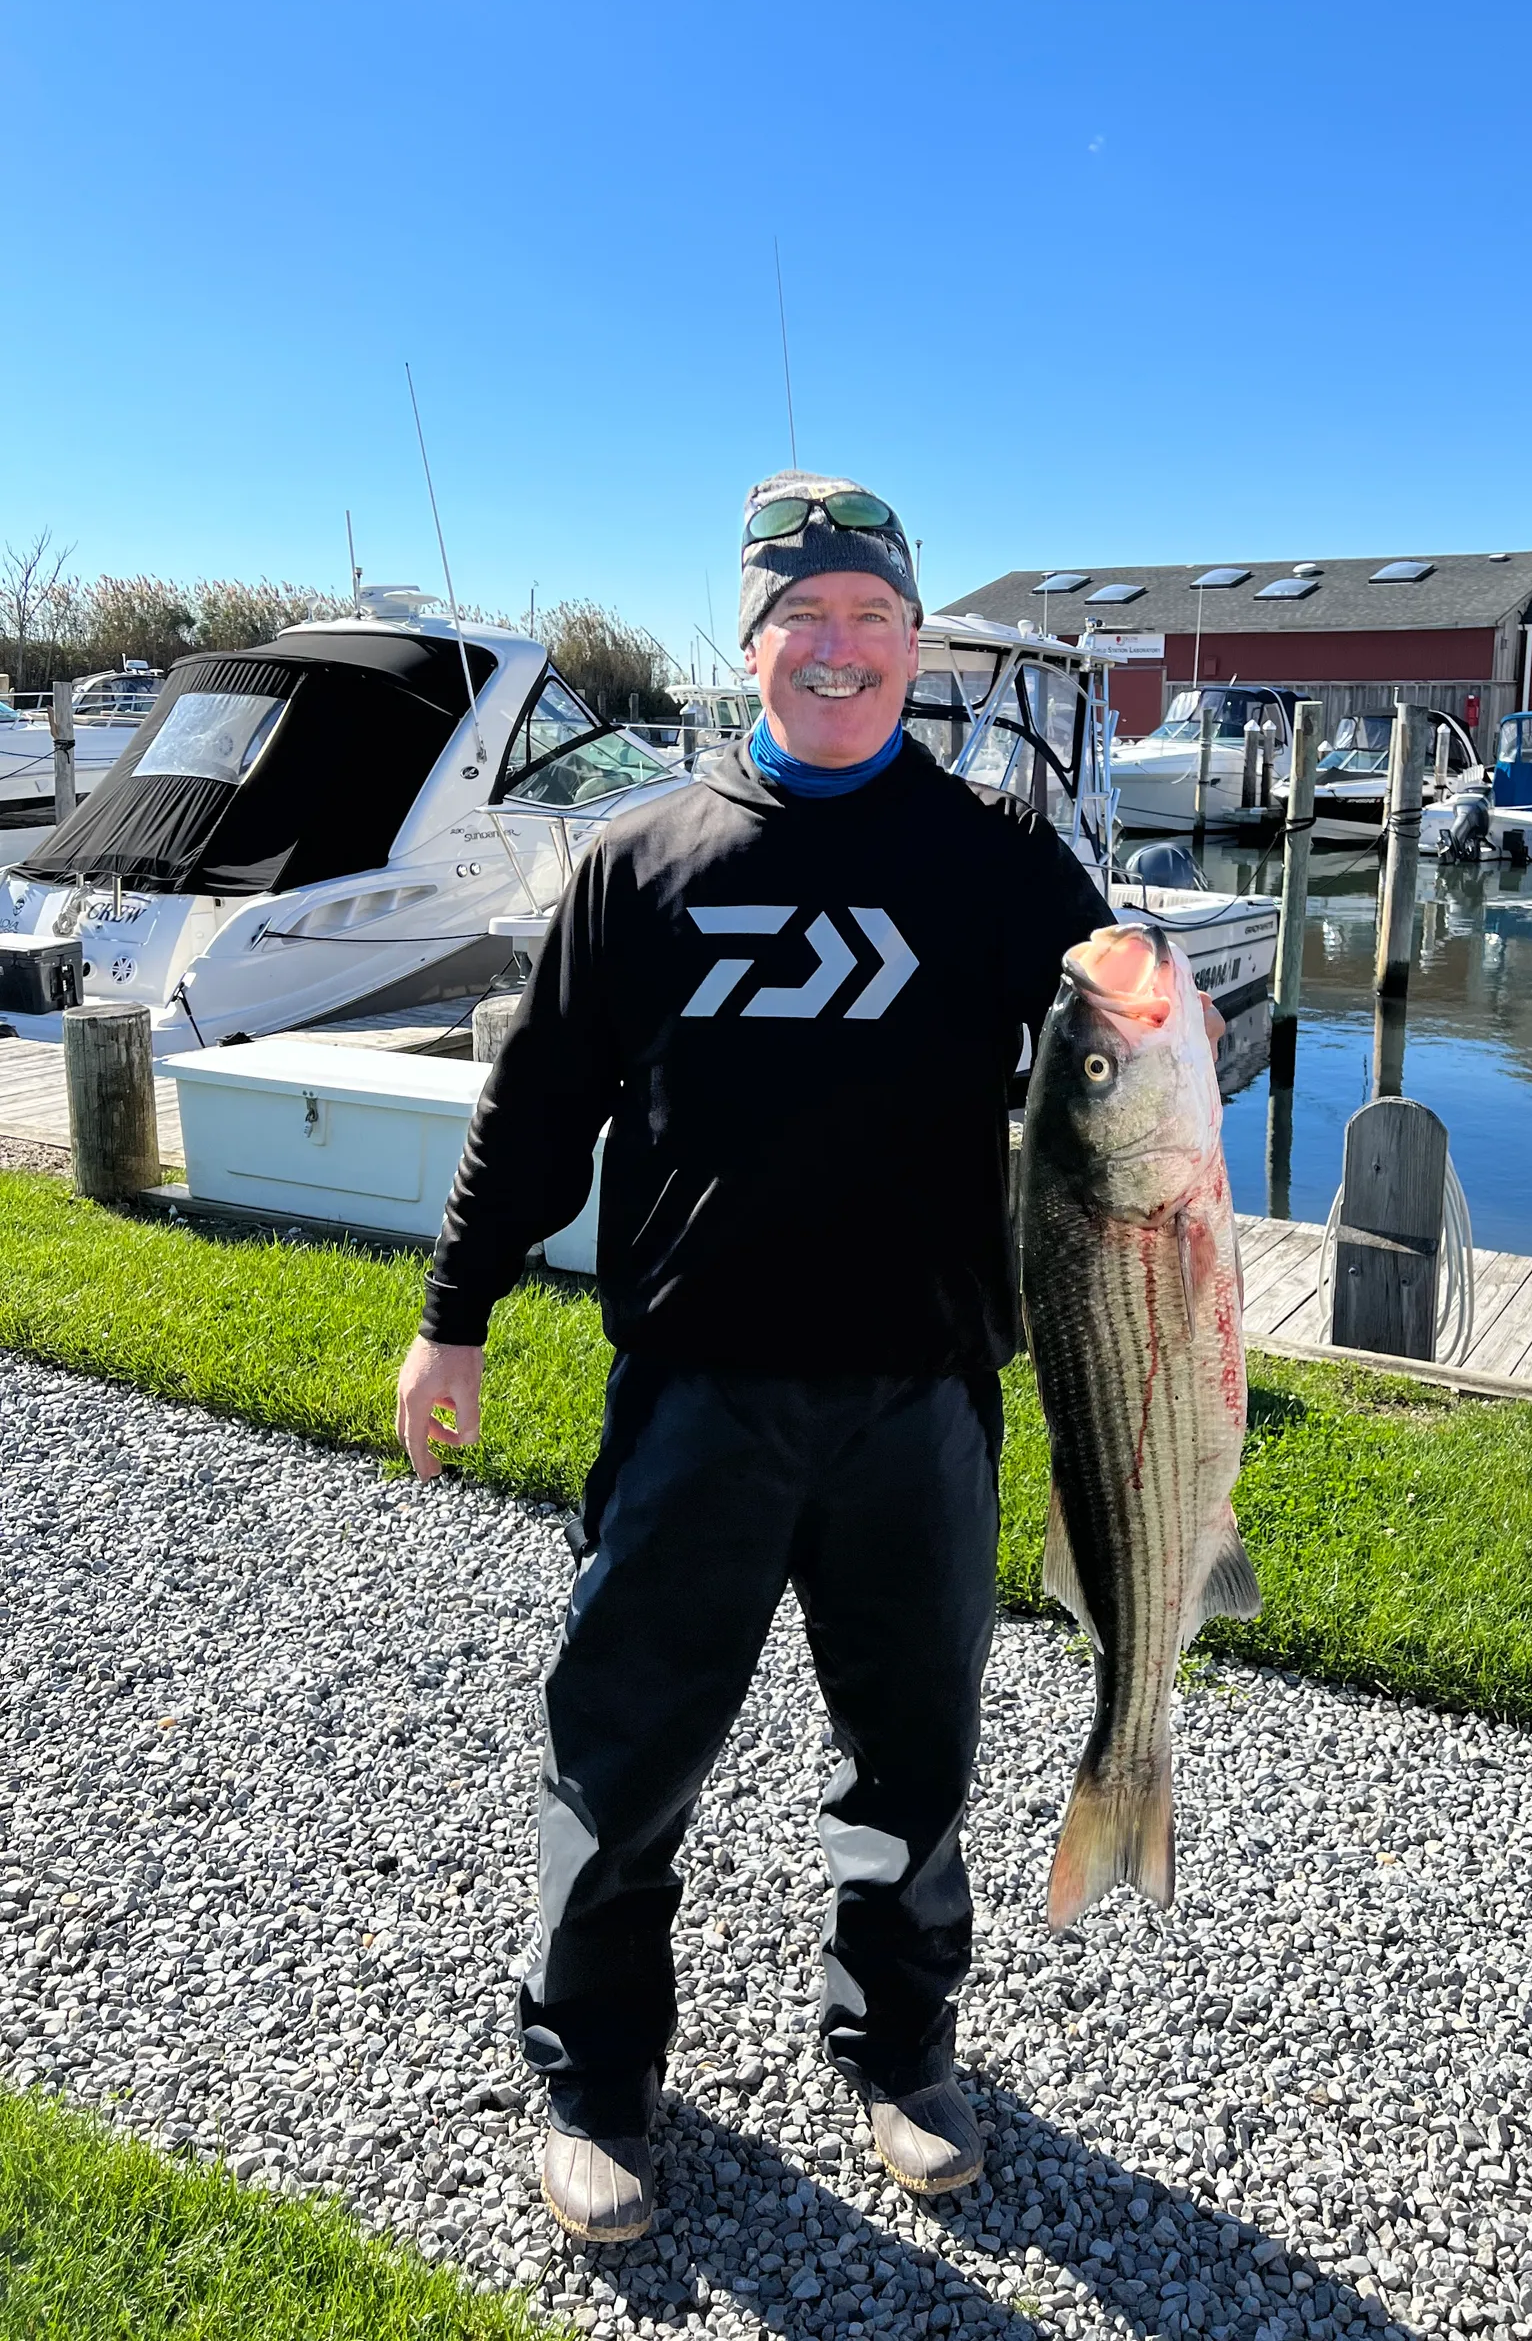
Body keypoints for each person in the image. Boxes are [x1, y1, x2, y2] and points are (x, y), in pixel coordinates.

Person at [394, 473, 1112, 2244]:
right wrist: (452, 1319)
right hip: (698, 1393)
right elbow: (536, 1111)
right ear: (753, 642)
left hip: (924, 1396)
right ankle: (595, 2077)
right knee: (624, 1747)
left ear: (919, 644)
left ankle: (896, 2044)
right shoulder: (640, 859)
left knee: (916, 1752)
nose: (842, 649)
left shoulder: (1000, 863)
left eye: (874, 617)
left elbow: (1129, 1052)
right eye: (807, 618)